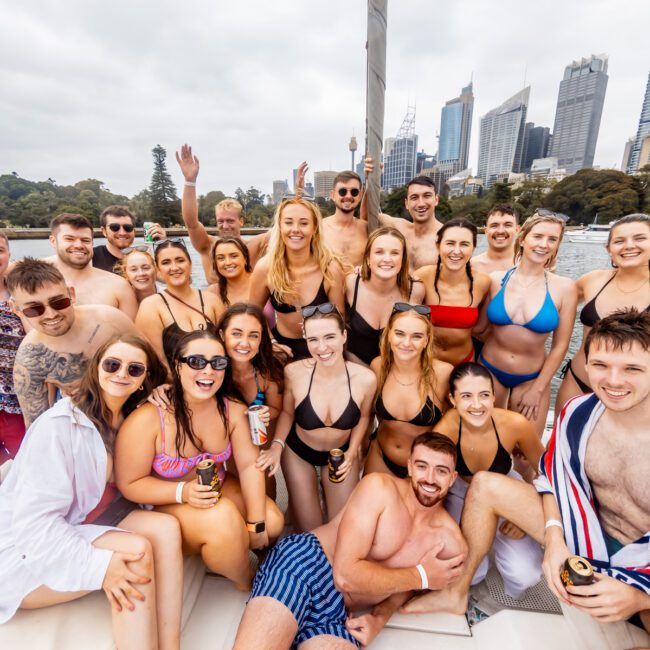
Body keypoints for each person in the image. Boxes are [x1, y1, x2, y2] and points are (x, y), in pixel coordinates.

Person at [403, 310, 650, 644]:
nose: (614, 381)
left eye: (632, 369)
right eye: (601, 366)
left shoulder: (514, 424)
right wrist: (554, 537)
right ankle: (457, 593)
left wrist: (640, 597)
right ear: (585, 364)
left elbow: (534, 467)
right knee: (486, 484)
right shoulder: (578, 413)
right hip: (584, 529)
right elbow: (551, 478)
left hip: (643, 563)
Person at [0, 334, 184, 650]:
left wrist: (165, 393)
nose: (121, 374)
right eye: (112, 364)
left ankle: (171, 646)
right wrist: (99, 566)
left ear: (144, 380)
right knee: (134, 552)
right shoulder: (61, 425)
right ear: (97, 367)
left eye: (134, 369)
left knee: (166, 528)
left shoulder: (132, 416)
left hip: (84, 520)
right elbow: (35, 523)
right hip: (25, 549)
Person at [233, 432, 467, 649]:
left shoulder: (450, 542)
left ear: (453, 477)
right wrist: (422, 576)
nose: (429, 478)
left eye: (441, 471)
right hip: (305, 565)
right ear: (409, 466)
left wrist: (380, 617)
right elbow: (345, 576)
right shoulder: (380, 489)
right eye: (422, 466)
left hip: (340, 614)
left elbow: (408, 586)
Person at [115, 329, 284, 591]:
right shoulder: (148, 418)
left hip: (216, 487)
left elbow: (250, 467)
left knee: (272, 521)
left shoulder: (232, 410)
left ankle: (228, 545)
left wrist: (256, 524)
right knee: (223, 518)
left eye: (218, 363)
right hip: (164, 502)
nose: (208, 371)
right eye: (196, 362)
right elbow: (130, 483)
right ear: (177, 366)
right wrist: (183, 491)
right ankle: (246, 580)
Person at [256, 304, 376, 532]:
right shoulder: (294, 372)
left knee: (341, 528)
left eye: (329, 337)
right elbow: (288, 413)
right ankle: (302, 503)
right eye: (313, 340)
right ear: (305, 339)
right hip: (299, 452)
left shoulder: (366, 379)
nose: (322, 348)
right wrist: (277, 446)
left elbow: (365, 416)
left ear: (344, 336)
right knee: (309, 531)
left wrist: (353, 451)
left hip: (339, 454)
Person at [434, 362, 544, 599]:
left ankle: (509, 594)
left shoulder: (515, 425)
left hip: (505, 489)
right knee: (467, 574)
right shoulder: (446, 430)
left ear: (494, 396)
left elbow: (548, 473)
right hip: (461, 495)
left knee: (526, 575)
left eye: (484, 395)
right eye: (466, 396)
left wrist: (525, 517)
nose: (477, 405)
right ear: (452, 399)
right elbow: (431, 485)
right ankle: (483, 548)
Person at [477, 212, 577, 436]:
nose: (544, 244)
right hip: (489, 370)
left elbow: (560, 346)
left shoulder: (564, 288)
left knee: (525, 456)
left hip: (532, 378)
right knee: (486, 442)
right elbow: (480, 328)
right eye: (538, 236)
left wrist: (539, 388)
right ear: (522, 239)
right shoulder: (495, 280)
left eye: (552, 239)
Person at [8, 258, 138, 427]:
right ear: (17, 310)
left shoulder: (109, 320)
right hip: (85, 426)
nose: (51, 314)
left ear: (72, 294)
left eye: (58, 302)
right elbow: (37, 426)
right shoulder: (30, 358)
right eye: (34, 309)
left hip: (136, 413)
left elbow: (151, 363)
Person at [556, 213, 650, 410]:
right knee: (561, 439)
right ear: (609, 249)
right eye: (619, 241)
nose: (629, 246)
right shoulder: (593, 280)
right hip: (579, 381)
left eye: (640, 238)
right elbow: (554, 300)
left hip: (635, 391)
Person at [249, 198, 346, 361]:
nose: (295, 229)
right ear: (280, 226)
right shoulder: (265, 268)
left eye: (303, 223)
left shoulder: (330, 269)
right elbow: (252, 313)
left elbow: (340, 317)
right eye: (288, 222)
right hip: (282, 349)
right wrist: (271, 342)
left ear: (314, 228)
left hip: (323, 350)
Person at [365, 305, 452, 478]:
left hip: (423, 466)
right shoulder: (378, 366)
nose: (406, 343)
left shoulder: (443, 373)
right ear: (389, 335)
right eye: (399, 334)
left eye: (417, 336)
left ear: (426, 340)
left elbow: (456, 420)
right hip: (380, 455)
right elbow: (366, 414)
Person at [175, 144, 269, 277]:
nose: (225, 226)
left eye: (230, 220)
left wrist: (298, 196)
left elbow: (285, 229)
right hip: (216, 297)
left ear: (241, 221)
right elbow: (191, 223)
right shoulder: (207, 246)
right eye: (220, 221)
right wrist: (190, 181)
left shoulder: (256, 246)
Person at [411, 219, 491, 366]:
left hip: (463, 363)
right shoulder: (422, 276)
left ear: (473, 249)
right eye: (450, 243)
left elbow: (482, 327)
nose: (456, 251)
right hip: (426, 363)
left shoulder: (483, 283)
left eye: (464, 244)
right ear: (438, 246)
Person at [135, 239, 223, 365]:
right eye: (166, 263)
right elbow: (157, 362)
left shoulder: (212, 300)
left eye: (180, 260)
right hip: (174, 382)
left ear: (190, 264)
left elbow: (224, 348)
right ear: (158, 270)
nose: (174, 267)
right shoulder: (151, 306)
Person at [44, 213, 138, 320]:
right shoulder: (30, 279)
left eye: (85, 240)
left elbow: (131, 333)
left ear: (92, 243)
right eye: (69, 239)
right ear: (53, 241)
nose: (79, 245)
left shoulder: (119, 286)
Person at [345, 226, 413, 366]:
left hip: (394, 371)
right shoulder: (351, 284)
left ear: (403, 259)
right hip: (355, 369)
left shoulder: (414, 290)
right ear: (368, 258)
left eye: (395, 253)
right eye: (379, 252)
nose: (387, 259)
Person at [362, 161, 443, 269]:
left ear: (436, 200)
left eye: (427, 196)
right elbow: (367, 217)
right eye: (414, 197)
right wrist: (372, 179)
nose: (421, 203)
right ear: (407, 203)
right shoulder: (399, 228)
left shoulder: (446, 236)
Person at [0, 233, 26, 459]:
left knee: (24, 463)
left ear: (9, 254)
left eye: (0, 250)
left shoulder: (22, 294)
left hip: (16, 403)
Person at [93, 205, 165, 273]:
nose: (122, 232)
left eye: (128, 227)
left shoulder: (144, 257)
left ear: (134, 231)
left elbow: (164, 278)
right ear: (104, 231)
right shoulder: (92, 257)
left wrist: (163, 244)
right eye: (114, 227)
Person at [319, 169, 368, 267]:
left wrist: (372, 176)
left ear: (360, 196)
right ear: (332, 195)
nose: (348, 196)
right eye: (342, 191)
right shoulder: (319, 227)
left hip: (358, 281)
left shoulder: (366, 228)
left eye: (354, 192)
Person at [205, 236, 252, 309]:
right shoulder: (213, 292)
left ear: (245, 258)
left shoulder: (262, 282)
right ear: (215, 263)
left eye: (233, 256)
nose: (228, 262)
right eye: (221, 258)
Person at [471, 205, 520, 274]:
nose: (500, 231)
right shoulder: (471, 266)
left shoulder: (527, 265)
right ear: (486, 231)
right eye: (494, 225)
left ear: (517, 230)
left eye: (507, 225)